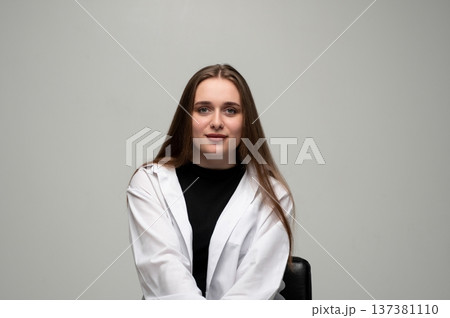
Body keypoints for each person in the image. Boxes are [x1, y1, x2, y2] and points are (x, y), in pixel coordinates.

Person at [126, 64, 295, 299]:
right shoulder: (149, 183)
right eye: (203, 109)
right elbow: (164, 273)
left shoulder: (273, 195)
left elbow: (254, 292)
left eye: (230, 110)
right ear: (187, 118)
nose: (216, 122)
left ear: (246, 122)